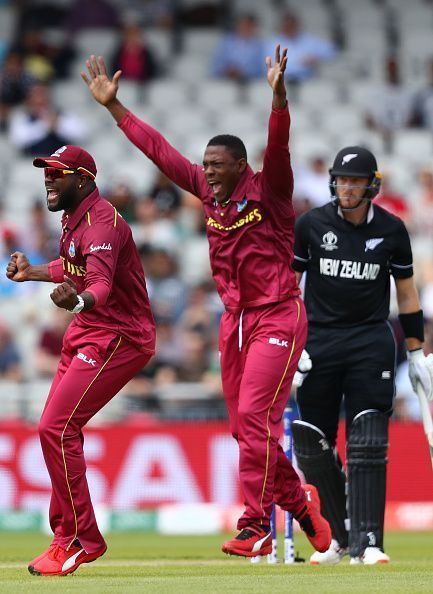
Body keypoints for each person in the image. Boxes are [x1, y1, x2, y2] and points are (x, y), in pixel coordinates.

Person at [81, 49, 331, 558]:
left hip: (279, 313)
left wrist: (279, 97)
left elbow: (278, 144)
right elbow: (160, 152)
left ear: (241, 166)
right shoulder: (206, 192)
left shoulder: (272, 191)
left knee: (256, 416)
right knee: (243, 428)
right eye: (206, 166)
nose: (208, 174)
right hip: (235, 321)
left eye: (218, 167)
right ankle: (301, 504)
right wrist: (115, 108)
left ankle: (255, 524)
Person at [6, 144, 156, 576]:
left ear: (85, 180)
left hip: (119, 336)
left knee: (56, 426)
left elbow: (100, 285)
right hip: (89, 331)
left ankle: (81, 539)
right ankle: (63, 537)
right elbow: (72, 265)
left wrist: (78, 303)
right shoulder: (76, 218)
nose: (49, 179)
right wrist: (31, 272)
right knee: (53, 427)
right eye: (47, 172)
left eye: (58, 172)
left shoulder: (102, 222)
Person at [291, 146, 433, 565]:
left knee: (368, 439)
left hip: (370, 340)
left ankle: (369, 542)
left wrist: (418, 353)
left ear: (372, 185)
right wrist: (289, 342)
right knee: (311, 444)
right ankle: (338, 537)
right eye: (341, 179)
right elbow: (288, 288)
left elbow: (406, 294)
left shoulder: (391, 230)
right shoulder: (311, 225)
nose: (347, 187)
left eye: (355, 181)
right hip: (318, 341)